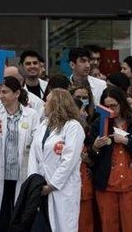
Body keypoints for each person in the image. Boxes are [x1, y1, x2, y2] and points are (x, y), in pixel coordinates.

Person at [0, 76, 38, 232]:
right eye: (0, 92)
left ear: (17, 93)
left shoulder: (31, 115)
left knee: (18, 219)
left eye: (5, 92)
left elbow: (36, 142)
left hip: (20, 174)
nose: (1, 95)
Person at [28, 89, 86, 232]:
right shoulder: (43, 126)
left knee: (62, 227)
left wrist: (52, 185)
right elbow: (33, 156)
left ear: (57, 104)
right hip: (40, 188)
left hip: (62, 189)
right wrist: (34, 183)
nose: (44, 105)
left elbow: (69, 161)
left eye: (47, 101)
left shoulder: (73, 127)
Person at [91, 88, 132, 232]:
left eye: (114, 106)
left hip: (130, 184)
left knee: (131, 226)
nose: (110, 110)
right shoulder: (98, 124)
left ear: (122, 104)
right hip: (106, 184)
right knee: (108, 226)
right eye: (106, 107)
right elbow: (90, 156)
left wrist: (126, 141)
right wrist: (95, 147)